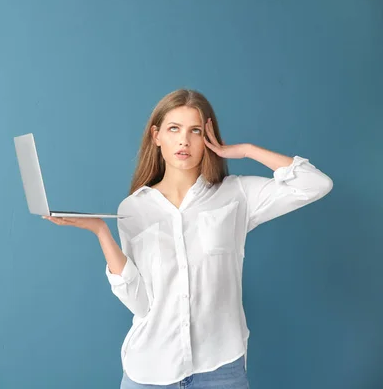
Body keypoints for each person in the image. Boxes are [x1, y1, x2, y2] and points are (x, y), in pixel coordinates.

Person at [43, 89, 333, 388]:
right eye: (174, 129)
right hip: (151, 370)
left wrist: (245, 150)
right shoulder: (133, 208)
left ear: (208, 137)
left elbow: (315, 184)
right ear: (156, 136)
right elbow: (140, 303)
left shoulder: (236, 194)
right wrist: (101, 232)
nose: (184, 141)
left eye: (195, 131)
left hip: (221, 371)